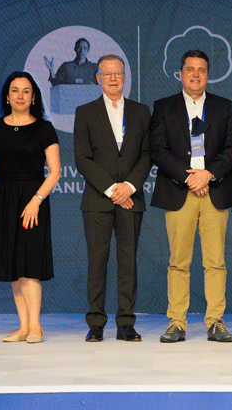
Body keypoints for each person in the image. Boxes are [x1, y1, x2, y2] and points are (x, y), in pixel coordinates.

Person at [150, 49, 232, 343]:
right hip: (179, 191)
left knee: (216, 262)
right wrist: (189, 176)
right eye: (190, 69)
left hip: (214, 191)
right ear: (181, 73)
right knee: (179, 261)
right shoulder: (164, 107)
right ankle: (177, 322)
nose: (196, 74)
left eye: (201, 69)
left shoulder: (223, 106)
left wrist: (208, 174)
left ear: (208, 75)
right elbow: (158, 150)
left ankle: (215, 322)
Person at [74, 55, 152, 342]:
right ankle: (96, 323)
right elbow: (83, 158)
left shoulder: (141, 112)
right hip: (98, 200)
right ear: (98, 78)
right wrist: (112, 189)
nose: (113, 78)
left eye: (117, 73)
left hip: (131, 198)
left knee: (127, 262)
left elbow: (147, 154)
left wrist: (128, 187)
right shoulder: (85, 112)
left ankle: (125, 324)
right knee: (97, 262)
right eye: (107, 74)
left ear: (125, 77)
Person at [0, 71, 61, 344]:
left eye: (26, 91)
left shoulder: (44, 128)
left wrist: (35, 201)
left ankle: (36, 326)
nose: (20, 96)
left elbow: (55, 171)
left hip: (33, 201)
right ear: (7, 96)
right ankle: (23, 326)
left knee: (29, 265)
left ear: (34, 97)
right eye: (15, 90)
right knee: (13, 267)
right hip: (3, 201)